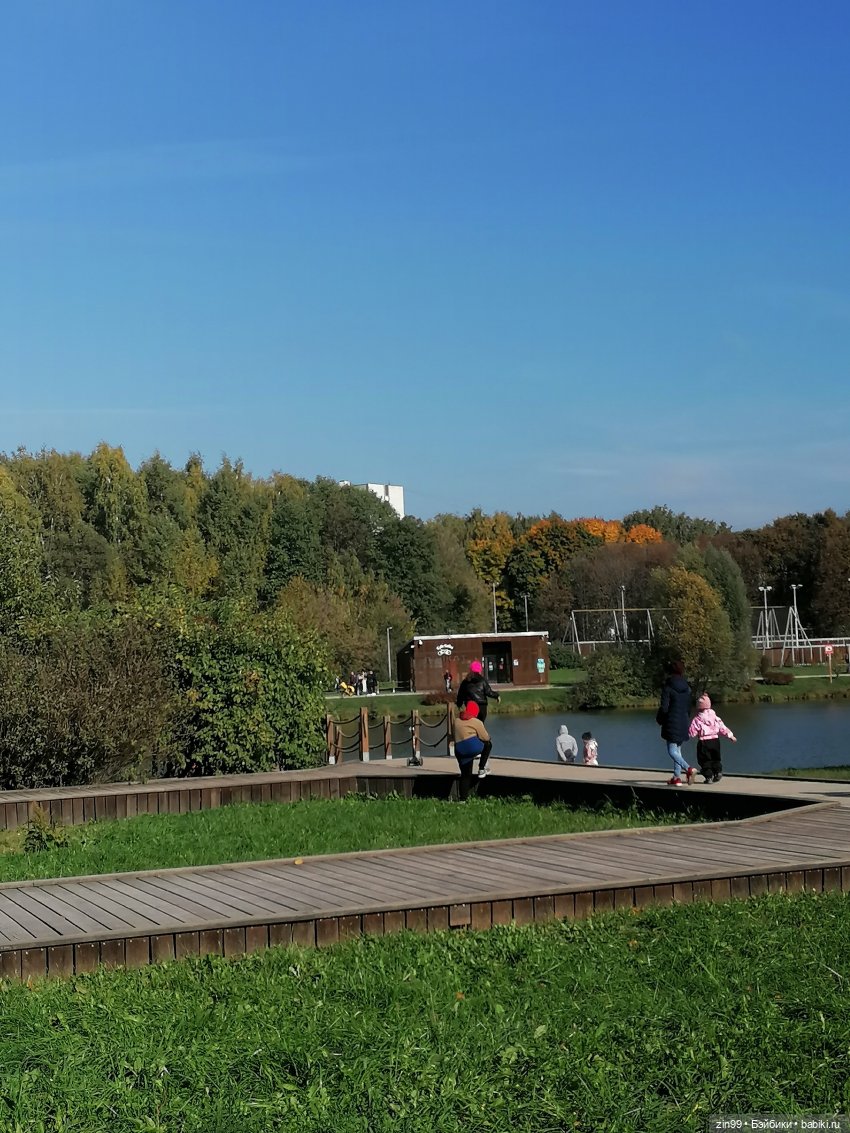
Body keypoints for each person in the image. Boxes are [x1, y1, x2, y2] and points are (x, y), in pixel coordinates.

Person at [656, 660, 696, 786]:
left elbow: (664, 708)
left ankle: (689, 769)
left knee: (672, 751)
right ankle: (677, 778)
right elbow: (689, 707)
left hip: (672, 721)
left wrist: (660, 719)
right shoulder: (687, 688)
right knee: (677, 750)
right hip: (683, 721)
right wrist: (686, 718)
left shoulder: (668, 686)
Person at [688, 694, 736, 783]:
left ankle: (708, 777)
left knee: (705, 760)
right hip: (715, 740)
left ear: (698, 707)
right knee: (716, 758)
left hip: (704, 742)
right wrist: (730, 735)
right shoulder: (715, 717)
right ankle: (718, 772)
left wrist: (688, 735)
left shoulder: (697, 719)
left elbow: (692, 732)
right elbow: (722, 727)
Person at [452, 701, 493, 800]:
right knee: (488, 745)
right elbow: (486, 738)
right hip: (471, 747)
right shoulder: (476, 722)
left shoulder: (456, 721)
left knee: (465, 775)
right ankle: (481, 769)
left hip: (459, 750)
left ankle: (463, 799)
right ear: (475, 712)